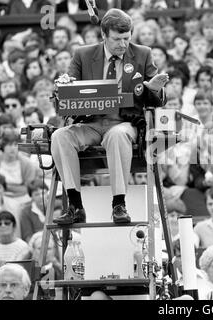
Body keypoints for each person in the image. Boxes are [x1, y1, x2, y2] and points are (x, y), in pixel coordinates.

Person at [51, 9, 168, 225]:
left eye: (127, 38)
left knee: (117, 135)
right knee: (59, 136)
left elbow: (159, 100)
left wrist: (154, 89)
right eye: (117, 39)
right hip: (91, 122)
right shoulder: (83, 55)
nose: (123, 44)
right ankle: (75, 205)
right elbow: (67, 95)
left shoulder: (143, 53)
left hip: (124, 122)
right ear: (104, 35)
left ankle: (119, 204)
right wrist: (62, 89)